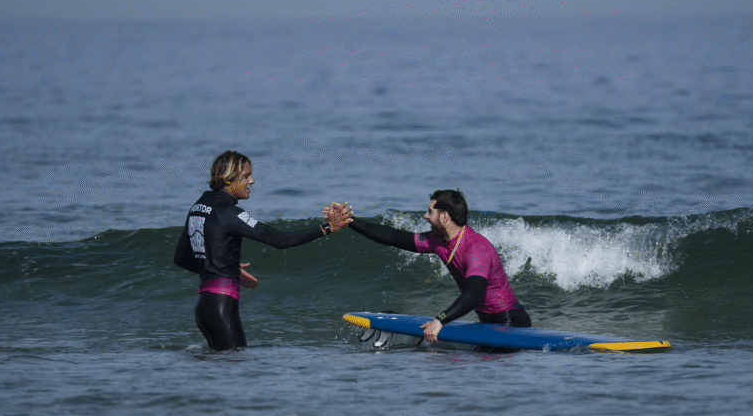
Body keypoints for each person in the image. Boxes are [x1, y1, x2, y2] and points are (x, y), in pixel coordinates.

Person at [175, 150, 352, 350]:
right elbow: (280, 240)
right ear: (228, 179)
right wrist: (327, 228)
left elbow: (181, 259)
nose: (252, 181)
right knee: (235, 366)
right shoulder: (229, 213)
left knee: (222, 372)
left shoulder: (198, 207)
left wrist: (225, 266)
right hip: (220, 306)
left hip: (204, 306)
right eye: (246, 176)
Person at [329, 189, 529, 342]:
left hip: (510, 323)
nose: (425, 216)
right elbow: (391, 236)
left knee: (479, 364)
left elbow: (473, 293)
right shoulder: (438, 240)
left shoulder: (476, 247)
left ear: (444, 217)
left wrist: (440, 319)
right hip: (487, 324)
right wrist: (350, 221)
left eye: (430, 211)